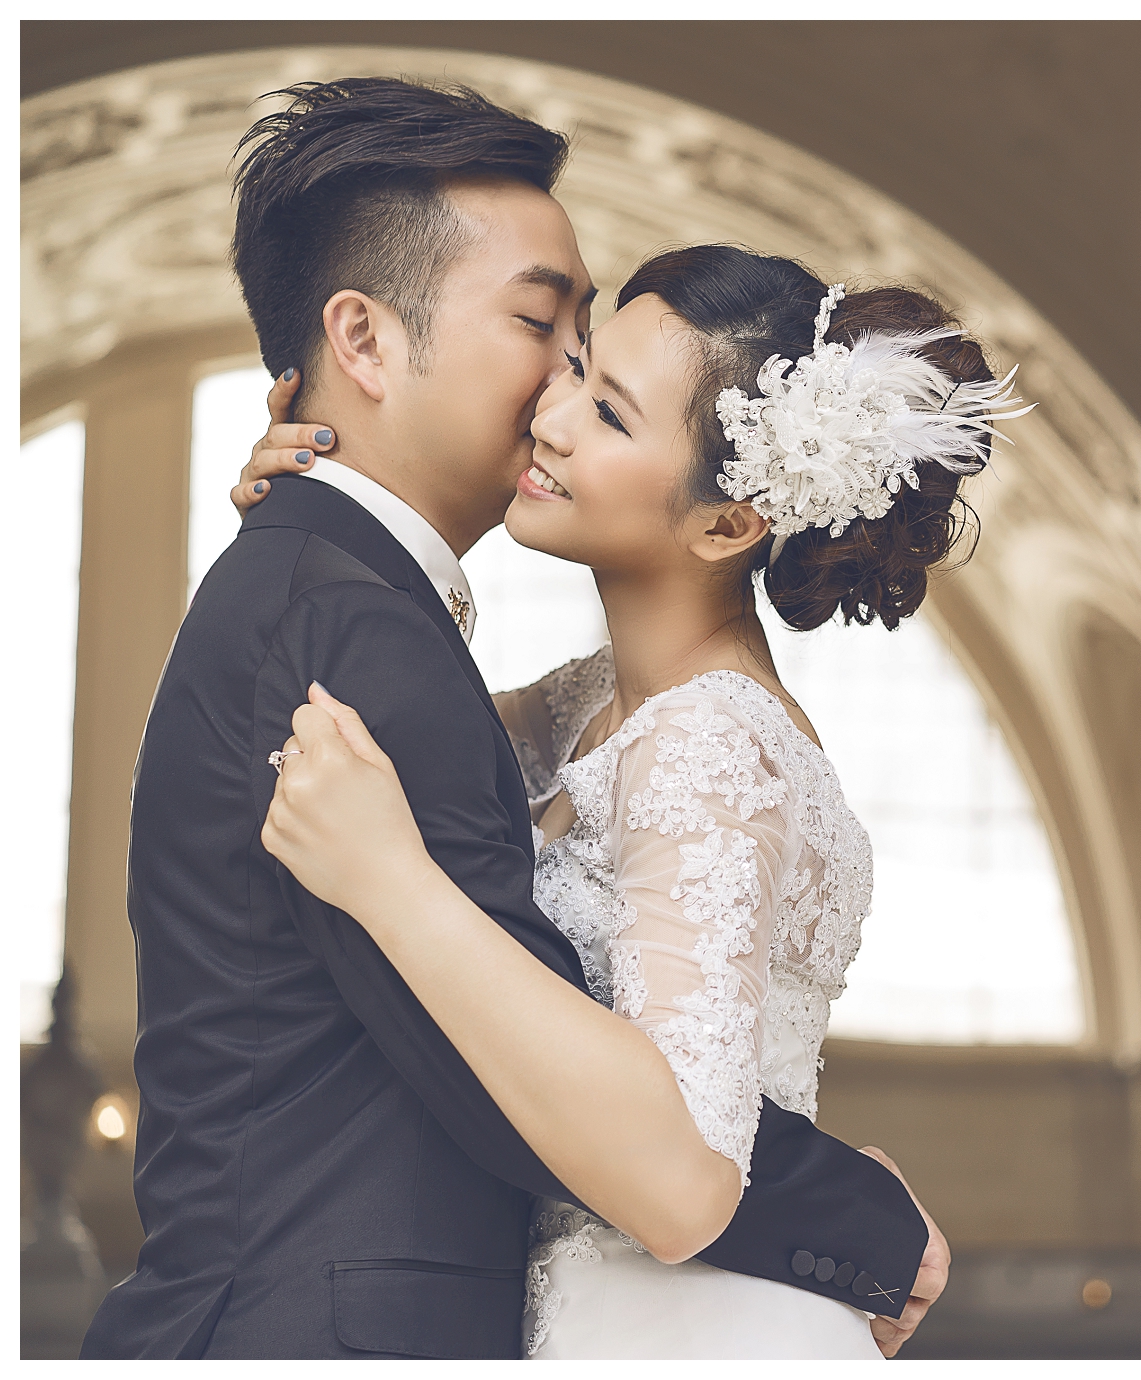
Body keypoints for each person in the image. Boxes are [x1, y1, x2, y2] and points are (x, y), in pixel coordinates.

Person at [83, 79, 946, 1360]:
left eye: (594, 378)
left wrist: (318, 550)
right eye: (553, 337)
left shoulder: (660, 721)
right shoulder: (383, 640)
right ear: (365, 342)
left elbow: (631, 1108)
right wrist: (858, 1215)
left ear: (728, 519)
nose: (553, 392)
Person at [255, 241, 1024, 1358]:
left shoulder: (710, 741)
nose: (551, 416)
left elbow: (683, 1191)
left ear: (726, 525)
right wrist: (322, 496)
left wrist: (391, 887)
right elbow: (394, 703)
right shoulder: (582, 709)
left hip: (681, 1329)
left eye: (609, 415)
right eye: (573, 369)